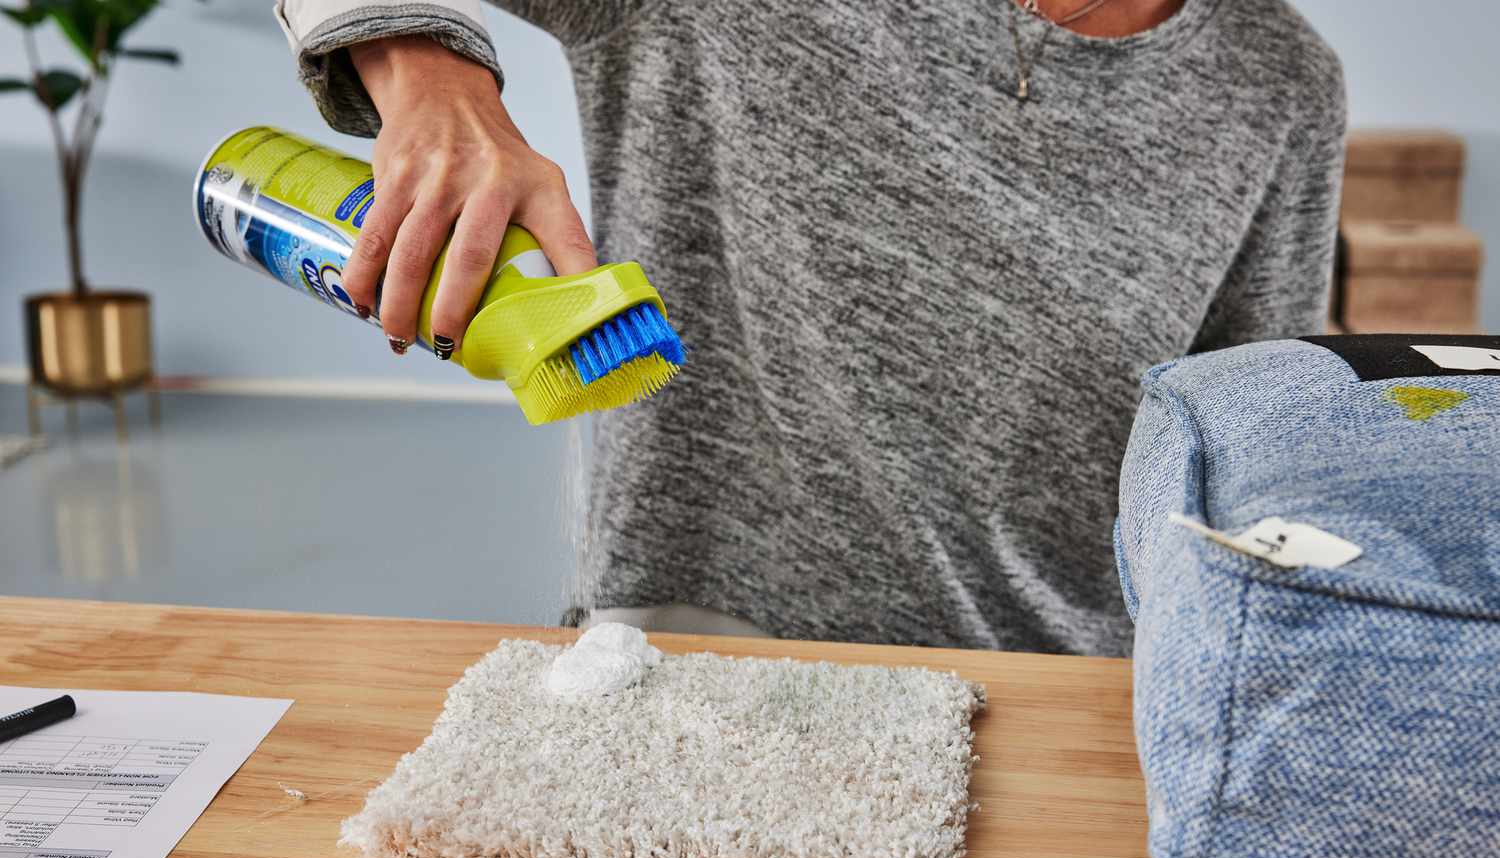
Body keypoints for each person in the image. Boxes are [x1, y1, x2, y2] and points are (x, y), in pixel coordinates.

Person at [272, 0, 1346, 655]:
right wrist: (427, 72)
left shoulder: (1280, 84)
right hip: (691, 657)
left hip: (1069, 698)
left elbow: (1256, 463)